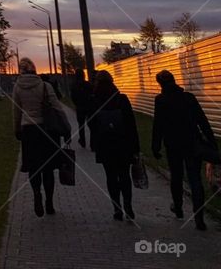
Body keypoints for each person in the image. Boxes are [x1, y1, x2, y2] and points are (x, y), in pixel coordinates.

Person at [152, 69, 217, 231]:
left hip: (173, 145)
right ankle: (199, 217)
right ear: (174, 81)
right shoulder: (188, 98)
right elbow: (202, 121)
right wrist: (212, 142)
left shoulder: (161, 100)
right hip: (192, 145)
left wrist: (155, 146)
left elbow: (158, 125)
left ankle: (179, 207)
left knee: (176, 176)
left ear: (160, 83)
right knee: (195, 179)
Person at [13, 57, 70, 217]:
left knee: (33, 167)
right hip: (48, 130)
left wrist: (17, 129)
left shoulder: (17, 87)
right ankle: (49, 202)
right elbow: (58, 108)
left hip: (28, 131)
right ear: (35, 69)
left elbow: (16, 112)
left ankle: (37, 193)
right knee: (48, 168)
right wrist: (66, 128)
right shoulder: (45, 86)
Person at [88, 70, 140, 221]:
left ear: (97, 82)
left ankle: (117, 208)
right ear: (111, 81)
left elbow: (91, 124)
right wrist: (135, 147)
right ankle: (128, 205)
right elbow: (131, 124)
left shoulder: (94, 100)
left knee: (110, 176)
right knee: (124, 175)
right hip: (123, 142)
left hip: (105, 144)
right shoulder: (121, 98)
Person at [70, 71, 92, 148]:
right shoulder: (88, 84)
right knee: (91, 125)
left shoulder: (74, 85)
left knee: (81, 125)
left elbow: (73, 97)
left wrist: (77, 104)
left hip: (79, 107)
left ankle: (82, 141)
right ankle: (92, 143)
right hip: (88, 107)